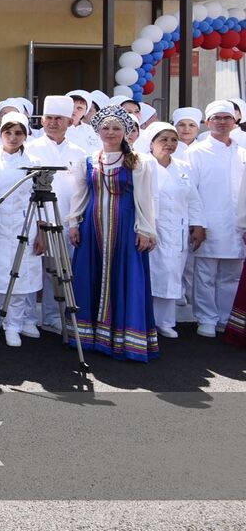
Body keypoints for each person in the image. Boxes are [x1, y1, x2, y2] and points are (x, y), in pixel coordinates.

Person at [65, 105, 159, 362]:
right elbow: (80, 195)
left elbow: (145, 200)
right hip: (93, 228)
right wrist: (74, 223)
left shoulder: (137, 162)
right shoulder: (89, 161)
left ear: (127, 132)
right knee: (89, 277)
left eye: (117, 127)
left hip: (126, 228)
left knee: (125, 278)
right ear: (98, 130)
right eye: (105, 127)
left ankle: (123, 339)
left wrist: (145, 229)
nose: (110, 132)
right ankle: (89, 336)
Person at [0, 110, 44, 346]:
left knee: (21, 278)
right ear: (0, 134)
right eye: (8, 132)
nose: (13, 137)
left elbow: (41, 200)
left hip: (25, 225)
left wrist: (42, 231)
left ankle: (13, 325)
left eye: (19, 133)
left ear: (26, 136)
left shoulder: (34, 162)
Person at [25, 94, 89, 333]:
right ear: (42, 121)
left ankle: (53, 316)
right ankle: (28, 318)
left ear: (69, 122)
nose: (53, 122)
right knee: (32, 271)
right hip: (37, 219)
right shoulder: (31, 149)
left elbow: (82, 190)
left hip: (68, 220)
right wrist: (39, 224)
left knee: (61, 270)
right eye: (49, 118)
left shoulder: (80, 153)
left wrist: (76, 221)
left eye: (58, 118)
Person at [134, 122, 201, 339]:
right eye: (164, 139)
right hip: (151, 229)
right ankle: (145, 321)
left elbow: (193, 199)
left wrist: (198, 224)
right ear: (151, 143)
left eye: (173, 140)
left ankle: (165, 322)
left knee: (172, 274)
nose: (169, 144)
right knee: (150, 274)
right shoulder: (142, 165)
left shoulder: (183, 167)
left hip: (177, 230)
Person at [186, 100, 246, 338]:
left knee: (232, 274)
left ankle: (225, 317)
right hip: (208, 223)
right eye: (217, 118)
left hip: (237, 225)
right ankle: (206, 318)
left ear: (235, 121)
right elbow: (191, 191)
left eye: (227, 118)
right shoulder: (196, 152)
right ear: (208, 122)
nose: (222, 122)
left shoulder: (242, 152)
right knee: (205, 274)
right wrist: (197, 224)